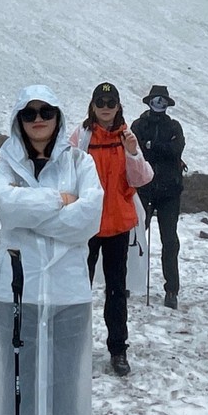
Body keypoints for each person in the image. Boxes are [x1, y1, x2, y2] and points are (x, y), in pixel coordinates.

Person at [0, 85, 103, 415]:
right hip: (15, 291)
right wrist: (59, 201)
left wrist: (29, 209)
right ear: (20, 118)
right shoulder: (6, 162)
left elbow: (90, 219)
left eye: (47, 112)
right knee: (18, 395)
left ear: (57, 117)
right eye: (30, 112)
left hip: (65, 294)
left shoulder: (81, 162)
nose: (39, 119)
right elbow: (4, 207)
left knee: (59, 398)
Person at [71, 82, 152, 376]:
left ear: (118, 106)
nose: (106, 107)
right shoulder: (80, 136)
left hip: (117, 225)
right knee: (78, 288)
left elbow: (141, 178)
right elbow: (67, 173)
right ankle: (74, 347)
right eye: (100, 102)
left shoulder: (127, 137)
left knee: (117, 292)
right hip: (86, 225)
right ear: (92, 105)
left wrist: (132, 153)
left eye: (111, 102)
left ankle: (118, 350)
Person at [131, 84, 186, 309]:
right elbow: (134, 152)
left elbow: (177, 150)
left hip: (169, 192)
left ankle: (171, 289)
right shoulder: (138, 125)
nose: (159, 104)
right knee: (134, 237)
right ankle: (126, 281)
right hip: (144, 189)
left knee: (169, 241)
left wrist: (153, 146)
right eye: (156, 100)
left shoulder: (174, 126)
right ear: (149, 101)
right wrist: (162, 148)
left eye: (162, 101)